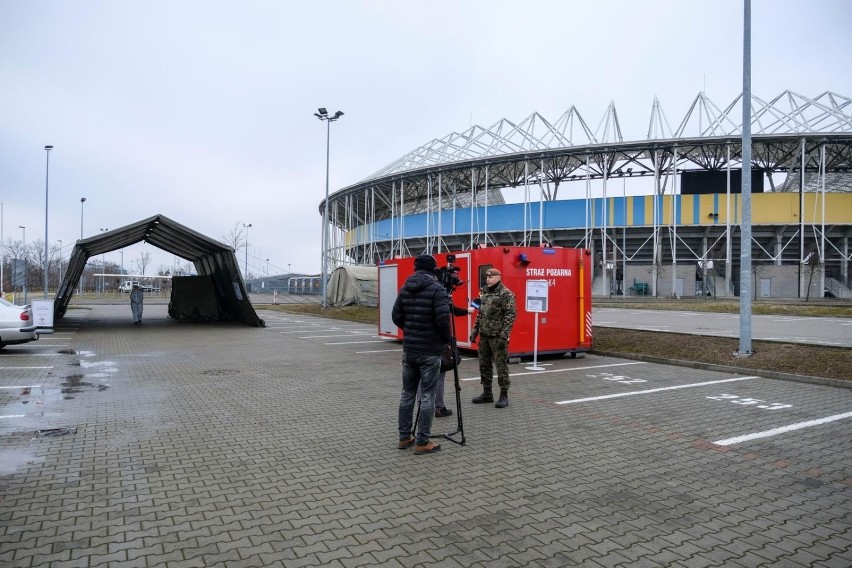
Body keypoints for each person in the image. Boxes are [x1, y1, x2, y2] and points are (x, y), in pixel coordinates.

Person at [392, 254, 451, 455]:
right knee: (427, 395)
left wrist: (410, 330)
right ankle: (423, 441)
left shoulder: (405, 288)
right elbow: (443, 320)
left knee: (407, 393)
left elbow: (396, 316)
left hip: (410, 349)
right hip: (429, 350)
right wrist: (444, 340)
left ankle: (404, 437)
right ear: (433, 270)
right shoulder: (438, 290)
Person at [469, 268, 516, 408]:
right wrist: (475, 331)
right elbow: (480, 314)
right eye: (486, 277)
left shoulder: (505, 294)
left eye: (490, 277)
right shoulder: (485, 293)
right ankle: (487, 393)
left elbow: (510, 316)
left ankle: (504, 395)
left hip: (497, 336)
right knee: (484, 365)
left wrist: (504, 335)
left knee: (501, 366)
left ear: (498, 277)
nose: (487, 279)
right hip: (484, 336)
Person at [418, 303, 475, 417]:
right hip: (436, 343)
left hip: (419, 343)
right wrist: (466, 310)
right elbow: (447, 311)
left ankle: (421, 406)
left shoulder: (413, 293)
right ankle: (439, 407)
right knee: (439, 377)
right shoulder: (438, 293)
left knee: (422, 376)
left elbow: (397, 316)